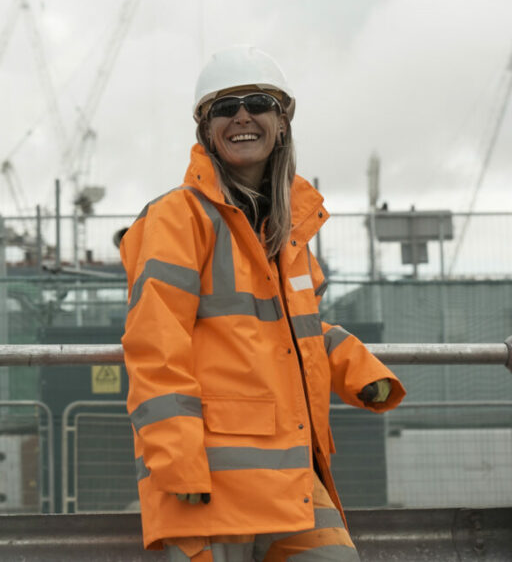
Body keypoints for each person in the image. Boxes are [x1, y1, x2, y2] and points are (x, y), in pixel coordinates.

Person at [119, 45, 406, 561]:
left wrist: (360, 370)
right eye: (224, 108)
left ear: (282, 121)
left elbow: (301, 328)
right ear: (206, 130)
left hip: (288, 477)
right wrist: (176, 457)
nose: (242, 117)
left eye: (257, 103)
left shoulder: (287, 228)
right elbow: (154, 347)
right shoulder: (176, 219)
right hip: (205, 482)